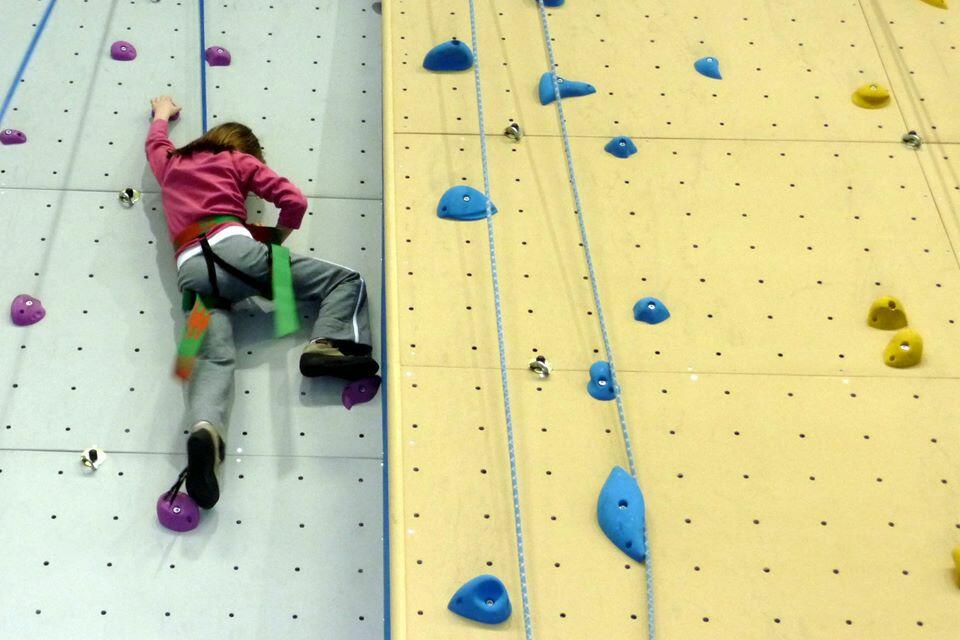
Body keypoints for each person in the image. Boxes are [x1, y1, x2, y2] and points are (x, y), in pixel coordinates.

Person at [146, 95, 378, 510]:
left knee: (211, 360)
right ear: (245, 148)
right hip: (239, 253)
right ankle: (329, 343)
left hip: (192, 275)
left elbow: (155, 145)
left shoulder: (172, 164)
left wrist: (162, 114)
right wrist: (276, 237)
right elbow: (294, 201)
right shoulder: (237, 160)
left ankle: (205, 430)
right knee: (345, 281)